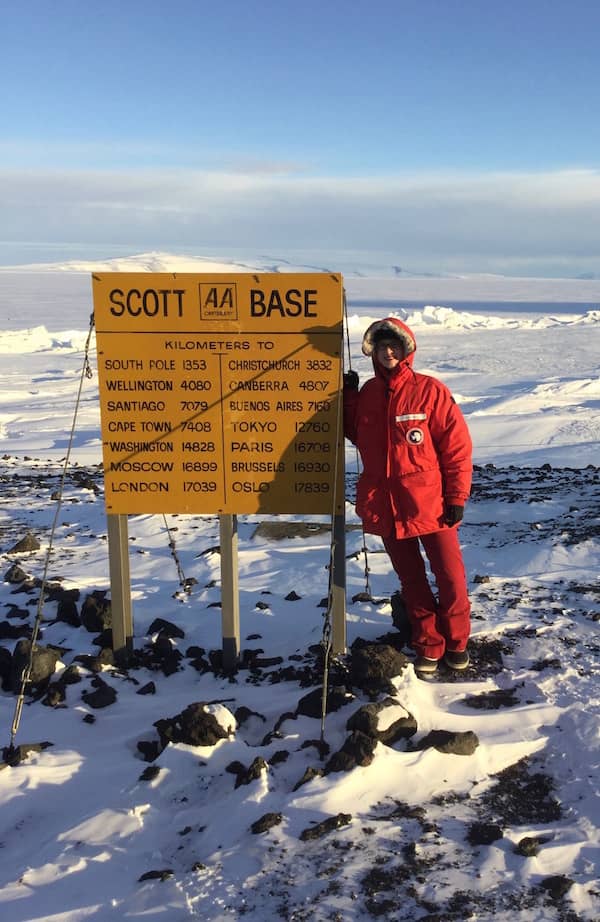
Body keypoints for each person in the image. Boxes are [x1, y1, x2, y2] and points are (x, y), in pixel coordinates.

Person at [343, 316, 472, 676]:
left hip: (431, 504)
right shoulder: (368, 393)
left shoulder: (430, 390)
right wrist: (348, 397)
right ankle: (429, 642)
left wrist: (457, 496)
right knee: (411, 579)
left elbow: (456, 447)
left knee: (450, 576)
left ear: (406, 350)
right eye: (382, 346)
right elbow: (357, 433)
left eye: (394, 346)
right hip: (386, 505)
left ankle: (457, 641)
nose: (387, 352)